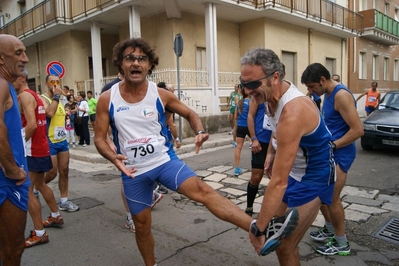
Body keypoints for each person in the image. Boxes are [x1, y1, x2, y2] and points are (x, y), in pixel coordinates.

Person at [94, 38, 298, 265]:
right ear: (120, 64)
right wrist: (112, 156)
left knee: (203, 190)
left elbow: (190, 114)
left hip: (164, 162)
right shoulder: (107, 99)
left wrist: (199, 130)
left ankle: (257, 228)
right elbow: (99, 139)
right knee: (141, 226)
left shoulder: (160, 95)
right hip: (133, 171)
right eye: (129, 58)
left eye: (142, 58)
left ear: (150, 65)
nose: (136, 63)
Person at [240, 48, 334, 265]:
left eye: (253, 84)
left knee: (284, 245)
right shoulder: (270, 97)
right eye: (244, 84)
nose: (247, 91)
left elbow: (278, 182)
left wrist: (257, 229)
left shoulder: (294, 111)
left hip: (315, 176)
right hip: (294, 171)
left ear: (274, 77)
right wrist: (272, 153)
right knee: (279, 239)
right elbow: (276, 129)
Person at [301, 63, 364, 256]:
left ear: (322, 80)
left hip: (341, 154)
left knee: (332, 199)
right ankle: (329, 229)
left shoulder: (340, 95)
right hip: (330, 153)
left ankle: (342, 243)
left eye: (312, 86)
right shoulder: (327, 94)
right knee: (322, 196)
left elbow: (358, 130)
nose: (310, 91)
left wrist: (332, 145)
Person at [100, 72, 164, 234]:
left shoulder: (145, 87)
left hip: (145, 146)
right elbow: (101, 122)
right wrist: (108, 142)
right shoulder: (110, 90)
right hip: (124, 148)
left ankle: (151, 195)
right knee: (128, 178)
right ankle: (130, 216)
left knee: (147, 172)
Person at [13, 70, 64, 248]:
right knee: (41, 185)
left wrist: (17, 147)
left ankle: (39, 233)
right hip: (40, 147)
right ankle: (56, 216)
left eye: (12, 78)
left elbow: (32, 125)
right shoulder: (34, 96)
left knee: (27, 191)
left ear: (21, 78)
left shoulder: (25, 96)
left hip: (32, 150)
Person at [0, 34, 30, 266]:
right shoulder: (1, 84)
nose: (26, 59)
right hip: (8, 182)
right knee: (13, 249)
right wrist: (12, 169)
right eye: (18, 53)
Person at [40, 74, 79, 212]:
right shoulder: (42, 99)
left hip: (62, 141)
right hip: (49, 140)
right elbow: (49, 113)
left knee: (65, 171)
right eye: (52, 82)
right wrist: (56, 97)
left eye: (57, 81)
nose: (55, 84)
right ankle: (35, 186)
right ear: (46, 83)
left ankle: (64, 201)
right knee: (51, 173)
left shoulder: (61, 99)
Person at [245, 99, 272, 216]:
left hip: (275, 142)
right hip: (260, 142)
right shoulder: (258, 97)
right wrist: (254, 138)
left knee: (276, 178)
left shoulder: (280, 96)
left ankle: (272, 211)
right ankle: (249, 207)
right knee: (256, 176)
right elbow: (250, 116)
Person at [233, 85, 250, 176]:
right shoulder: (251, 102)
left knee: (238, 147)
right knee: (255, 147)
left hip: (240, 126)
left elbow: (235, 117)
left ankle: (236, 168)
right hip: (249, 127)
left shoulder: (239, 103)